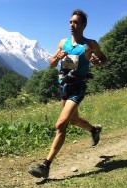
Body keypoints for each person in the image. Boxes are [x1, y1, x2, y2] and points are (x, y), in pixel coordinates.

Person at [28, 9, 108, 178]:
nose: (72, 25)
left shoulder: (90, 44)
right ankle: (94, 130)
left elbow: (104, 60)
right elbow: (51, 64)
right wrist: (57, 57)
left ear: (83, 25)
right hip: (64, 87)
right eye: (71, 22)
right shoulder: (63, 42)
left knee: (61, 125)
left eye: (76, 22)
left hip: (78, 88)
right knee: (74, 120)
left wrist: (97, 62)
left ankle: (45, 165)